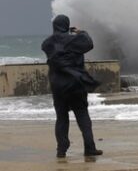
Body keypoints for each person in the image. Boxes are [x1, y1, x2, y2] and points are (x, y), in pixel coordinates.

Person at [41, 14, 103, 158]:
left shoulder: (48, 43)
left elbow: (46, 46)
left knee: (61, 118)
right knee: (82, 116)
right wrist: (80, 32)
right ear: (67, 25)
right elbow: (89, 43)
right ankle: (89, 148)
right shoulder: (76, 40)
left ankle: (61, 150)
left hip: (58, 86)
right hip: (75, 84)